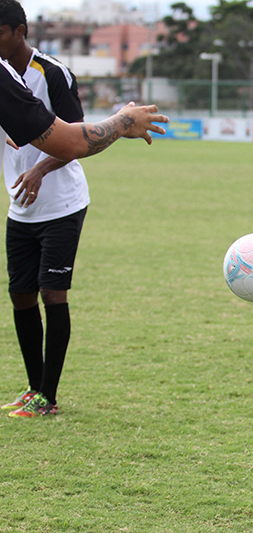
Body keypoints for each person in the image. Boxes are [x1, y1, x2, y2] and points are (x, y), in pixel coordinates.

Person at [0, 0, 168, 418]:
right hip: (20, 205)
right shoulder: (3, 74)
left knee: (52, 292)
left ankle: (48, 395)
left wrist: (39, 169)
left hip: (61, 204)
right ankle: (32, 387)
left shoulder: (53, 73)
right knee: (20, 294)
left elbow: (73, 140)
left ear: (20, 31)